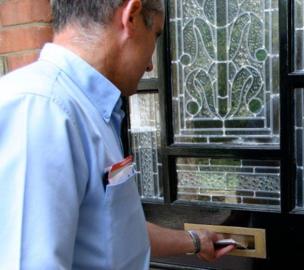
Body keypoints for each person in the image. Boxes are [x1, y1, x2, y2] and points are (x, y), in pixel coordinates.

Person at [0, 0, 234, 269]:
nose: (150, 65)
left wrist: (194, 241)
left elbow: (113, 230)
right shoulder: (39, 109)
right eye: (156, 34)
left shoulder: (87, 109)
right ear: (131, 17)